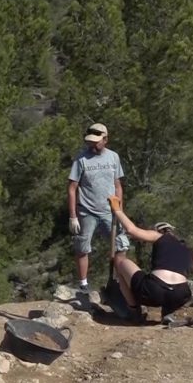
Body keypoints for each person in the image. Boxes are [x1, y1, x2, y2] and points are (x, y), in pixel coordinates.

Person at [109, 198, 193, 324]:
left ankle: (133, 310)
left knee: (120, 261)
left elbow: (132, 230)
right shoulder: (190, 251)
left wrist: (117, 210)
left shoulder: (159, 236)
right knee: (169, 292)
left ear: (159, 231)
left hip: (153, 290)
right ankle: (167, 313)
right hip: (180, 295)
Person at [68, 123, 130, 292]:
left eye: (96, 142)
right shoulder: (81, 159)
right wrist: (73, 216)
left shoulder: (113, 157)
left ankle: (119, 280)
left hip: (109, 211)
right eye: (90, 142)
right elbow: (72, 188)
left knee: (121, 244)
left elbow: (118, 185)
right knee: (82, 246)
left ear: (105, 139)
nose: (93, 145)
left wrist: (120, 211)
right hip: (86, 211)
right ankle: (83, 285)